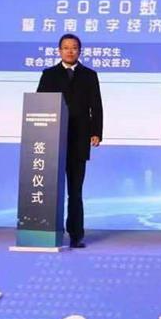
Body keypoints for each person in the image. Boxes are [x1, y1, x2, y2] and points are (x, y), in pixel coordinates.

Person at [37, 33, 103, 248]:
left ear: (79, 51)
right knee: (49, 190)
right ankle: (47, 232)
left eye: (74, 47)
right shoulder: (49, 74)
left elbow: (96, 106)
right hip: (52, 140)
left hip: (79, 139)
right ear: (59, 51)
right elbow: (39, 104)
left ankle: (76, 235)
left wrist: (96, 132)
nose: (70, 51)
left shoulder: (89, 75)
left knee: (75, 191)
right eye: (65, 47)